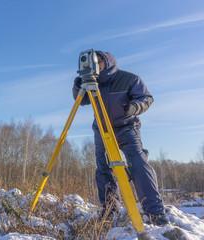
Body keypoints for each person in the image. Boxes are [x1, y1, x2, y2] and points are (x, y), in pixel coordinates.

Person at [72, 50, 169, 226]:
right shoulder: (92, 82)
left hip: (127, 128)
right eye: (92, 63)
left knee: (138, 163)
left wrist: (134, 107)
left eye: (98, 62)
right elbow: (80, 101)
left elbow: (147, 98)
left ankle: (155, 212)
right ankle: (110, 210)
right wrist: (78, 85)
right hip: (102, 130)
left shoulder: (129, 78)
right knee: (103, 169)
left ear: (107, 62)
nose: (95, 66)